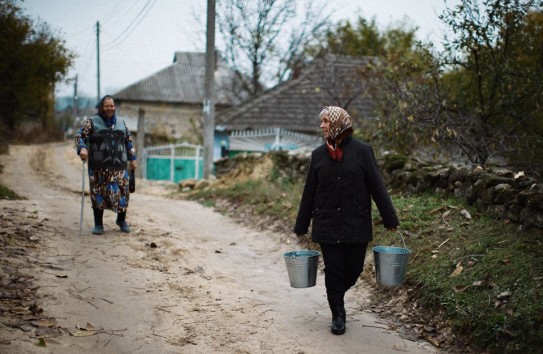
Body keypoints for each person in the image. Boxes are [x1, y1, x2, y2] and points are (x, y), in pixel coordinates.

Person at [293, 106, 399, 335]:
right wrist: (301, 225)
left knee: (354, 269)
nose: (322, 126)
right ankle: (338, 315)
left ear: (338, 123)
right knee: (334, 270)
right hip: (327, 224)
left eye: (326, 122)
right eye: (321, 122)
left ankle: (336, 295)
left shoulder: (363, 151)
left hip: (356, 223)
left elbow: (377, 186)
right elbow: (309, 192)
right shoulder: (319, 155)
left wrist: (389, 217)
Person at [75, 95, 138, 235]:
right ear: (101, 107)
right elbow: (80, 136)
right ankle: (98, 224)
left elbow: (128, 141)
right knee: (98, 194)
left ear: (115, 107)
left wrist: (133, 158)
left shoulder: (122, 122)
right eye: (106, 106)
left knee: (124, 194)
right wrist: (82, 148)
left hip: (120, 167)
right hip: (98, 168)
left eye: (112, 106)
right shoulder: (92, 122)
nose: (109, 108)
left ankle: (121, 220)